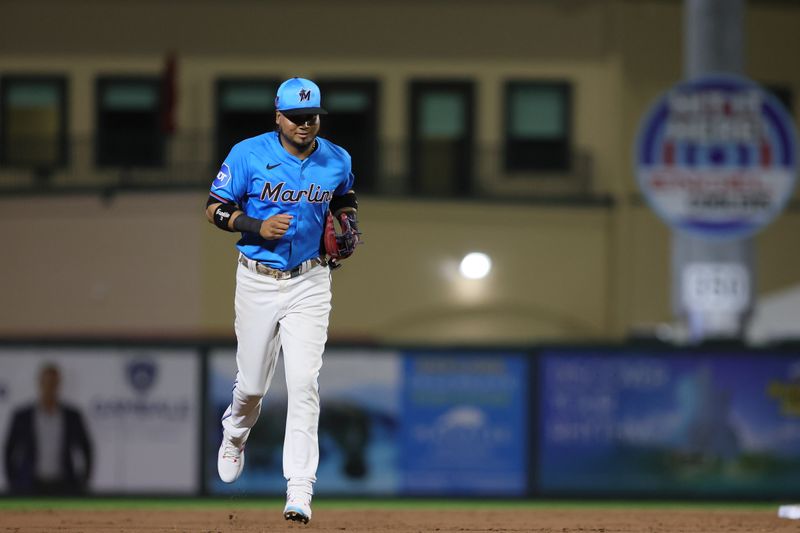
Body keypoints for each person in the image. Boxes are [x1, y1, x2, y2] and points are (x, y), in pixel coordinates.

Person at [205, 77, 361, 524]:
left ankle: (299, 488)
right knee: (253, 385)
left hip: (310, 281)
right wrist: (253, 225)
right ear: (278, 116)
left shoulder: (336, 158)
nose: (304, 125)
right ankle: (235, 433)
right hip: (256, 279)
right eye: (295, 118)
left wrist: (346, 222)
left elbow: (344, 196)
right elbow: (214, 207)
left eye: (311, 117)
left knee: (304, 384)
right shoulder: (248, 154)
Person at [4, 364, 93, 495]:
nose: (50, 387)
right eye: (46, 382)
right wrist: (13, 480)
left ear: (59, 384)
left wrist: (84, 479)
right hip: (29, 483)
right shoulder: (22, 416)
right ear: (39, 383)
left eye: (53, 383)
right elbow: (9, 449)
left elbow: (86, 448)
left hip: (64, 483)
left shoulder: (72, 416)